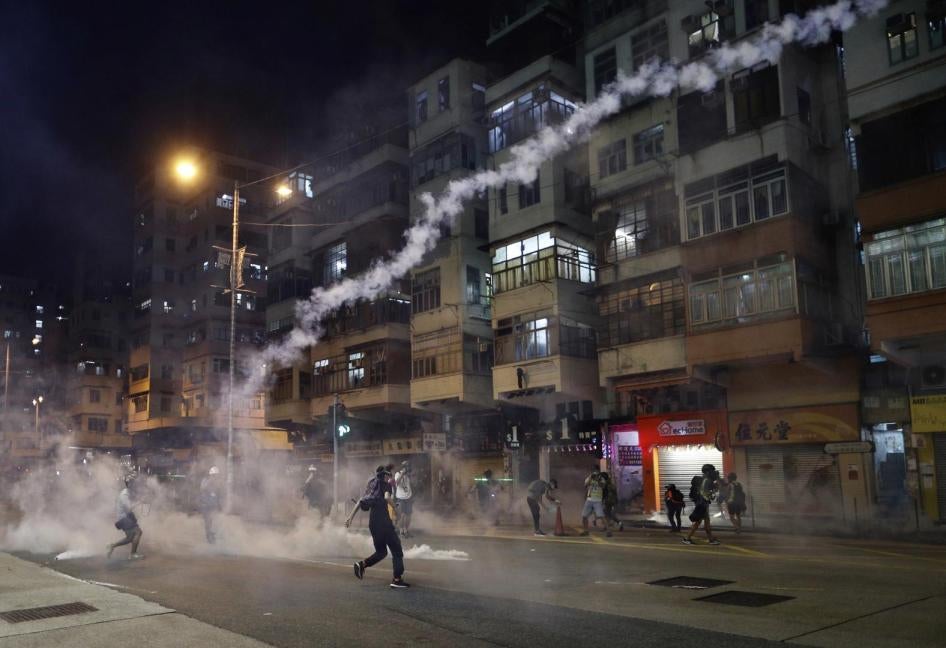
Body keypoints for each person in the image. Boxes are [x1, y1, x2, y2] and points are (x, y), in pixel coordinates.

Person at [346, 465, 409, 589]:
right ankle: (397, 580)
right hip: (384, 523)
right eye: (389, 475)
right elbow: (387, 497)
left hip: (373, 524)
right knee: (397, 550)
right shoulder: (385, 485)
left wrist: (350, 518)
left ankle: (362, 565)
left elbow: (360, 501)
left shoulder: (372, 486)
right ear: (385, 475)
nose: (389, 478)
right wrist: (396, 510)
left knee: (381, 552)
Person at [683, 464, 720, 546]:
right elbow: (705, 493)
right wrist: (713, 492)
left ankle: (710, 539)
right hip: (703, 504)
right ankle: (687, 538)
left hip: (703, 503)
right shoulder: (707, 480)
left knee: (704, 522)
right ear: (707, 471)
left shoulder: (704, 479)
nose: (713, 472)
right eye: (711, 470)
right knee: (699, 522)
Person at [107, 475, 143, 560]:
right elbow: (129, 508)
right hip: (124, 518)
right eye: (133, 483)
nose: (135, 485)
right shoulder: (124, 494)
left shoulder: (128, 492)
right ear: (128, 484)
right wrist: (139, 502)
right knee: (138, 532)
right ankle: (133, 554)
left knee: (130, 538)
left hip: (125, 517)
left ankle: (112, 546)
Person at [580, 466, 610, 537]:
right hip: (589, 499)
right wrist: (591, 478)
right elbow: (585, 485)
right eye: (594, 471)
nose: (595, 472)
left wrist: (598, 479)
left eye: (596, 471)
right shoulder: (589, 477)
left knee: (601, 516)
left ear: (598, 471)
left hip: (597, 500)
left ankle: (608, 531)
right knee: (584, 516)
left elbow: (603, 486)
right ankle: (586, 531)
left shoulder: (601, 479)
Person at [198, 466, 222, 544]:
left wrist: (219, 505)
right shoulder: (205, 481)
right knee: (208, 522)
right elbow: (203, 488)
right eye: (214, 475)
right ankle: (209, 538)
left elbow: (218, 494)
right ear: (211, 475)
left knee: (214, 522)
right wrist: (210, 482)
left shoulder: (217, 483)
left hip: (213, 506)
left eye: (217, 476)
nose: (216, 477)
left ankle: (213, 537)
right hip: (205, 506)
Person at [394, 460, 414, 538]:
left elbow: (413, 482)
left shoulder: (409, 474)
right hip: (400, 497)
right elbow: (396, 482)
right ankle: (401, 531)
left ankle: (406, 530)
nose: (407, 468)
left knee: (409, 515)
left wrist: (409, 474)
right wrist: (402, 473)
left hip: (409, 497)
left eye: (408, 466)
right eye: (406, 466)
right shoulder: (397, 474)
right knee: (402, 515)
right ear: (402, 467)